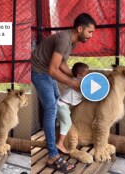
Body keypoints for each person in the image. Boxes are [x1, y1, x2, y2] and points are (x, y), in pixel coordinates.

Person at [31, 13, 96, 173]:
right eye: (90, 32)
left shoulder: (71, 41)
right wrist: (73, 83)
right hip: (39, 72)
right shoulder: (64, 39)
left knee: (55, 103)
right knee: (52, 108)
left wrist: (76, 77)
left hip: (46, 71)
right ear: (80, 29)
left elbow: (62, 64)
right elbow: (53, 70)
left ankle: (52, 142)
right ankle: (52, 156)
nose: (91, 36)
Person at [56, 62, 89, 154]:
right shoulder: (79, 83)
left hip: (63, 104)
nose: (88, 75)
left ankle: (58, 136)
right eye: (86, 73)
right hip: (62, 105)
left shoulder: (76, 79)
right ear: (79, 75)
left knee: (62, 122)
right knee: (67, 123)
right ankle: (60, 143)